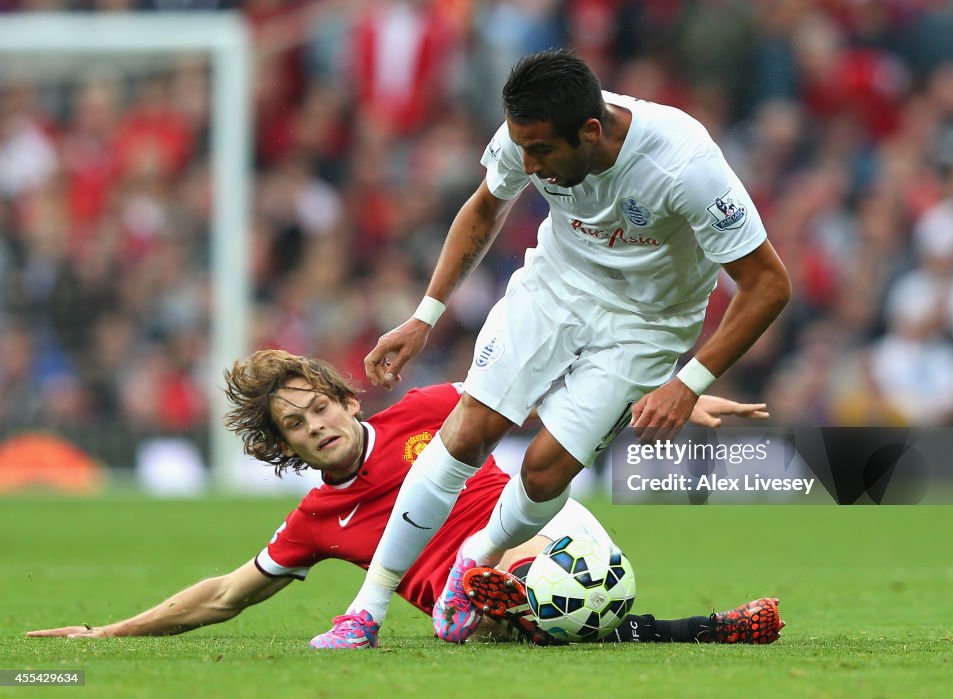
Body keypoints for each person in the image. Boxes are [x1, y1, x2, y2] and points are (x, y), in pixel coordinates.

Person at [327, 49, 790, 648]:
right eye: (522, 147)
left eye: (541, 151)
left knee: (544, 473)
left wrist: (688, 381)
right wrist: (424, 316)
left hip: (647, 324)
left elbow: (768, 284)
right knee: (468, 430)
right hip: (555, 287)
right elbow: (485, 207)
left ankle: (480, 555)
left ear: (590, 132)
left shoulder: (685, 164)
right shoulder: (529, 132)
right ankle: (365, 611)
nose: (529, 163)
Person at [26, 349, 783, 646]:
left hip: (543, 535)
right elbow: (226, 594)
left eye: (319, 406)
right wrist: (106, 633)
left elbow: (551, 390)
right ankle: (706, 627)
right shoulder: (315, 521)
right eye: (295, 425)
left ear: (347, 402)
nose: (315, 425)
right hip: (495, 618)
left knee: (547, 581)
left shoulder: (428, 411)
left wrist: (677, 394)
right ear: (283, 450)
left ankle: (502, 587)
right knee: (516, 625)